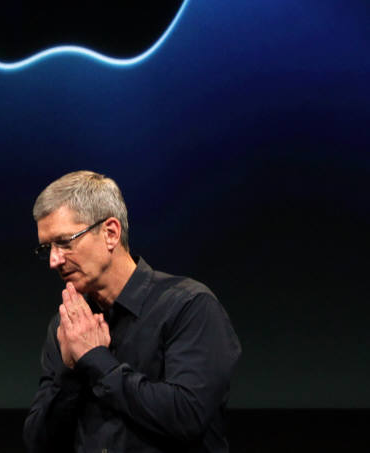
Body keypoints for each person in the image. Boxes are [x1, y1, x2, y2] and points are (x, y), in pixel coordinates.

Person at [23, 171, 241, 453]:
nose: (54, 261)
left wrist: (95, 360)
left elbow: (187, 417)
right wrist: (70, 371)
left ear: (110, 233)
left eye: (65, 242)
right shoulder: (68, 326)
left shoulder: (188, 305)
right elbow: (38, 444)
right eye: (46, 249)